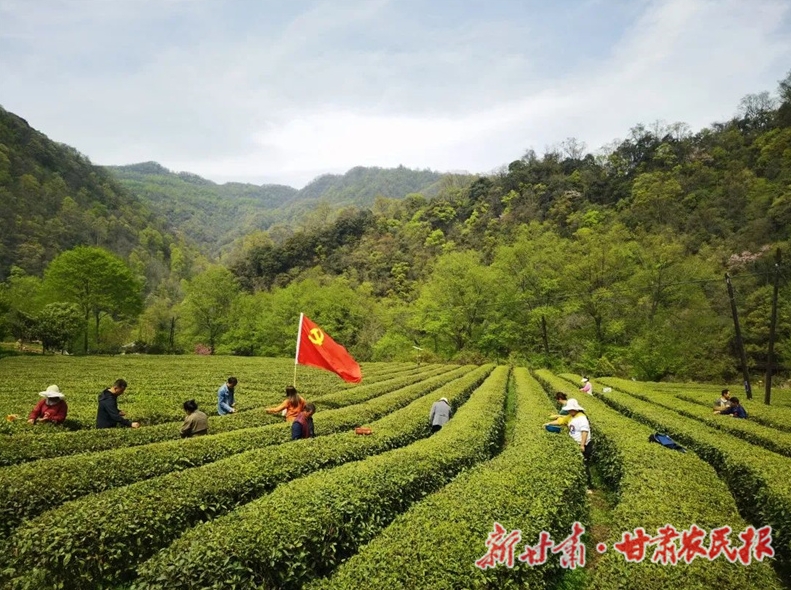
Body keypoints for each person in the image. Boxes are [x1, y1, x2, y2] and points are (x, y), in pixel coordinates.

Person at [562, 398, 593, 493]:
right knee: (578, 464)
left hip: (584, 445)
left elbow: (585, 431)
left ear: (576, 409)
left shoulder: (582, 418)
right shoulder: (572, 417)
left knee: (584, 465)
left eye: (571, 409)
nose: (569, 411)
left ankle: (588, 487)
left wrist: (582, 445)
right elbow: (561, 421)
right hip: (576, 443)